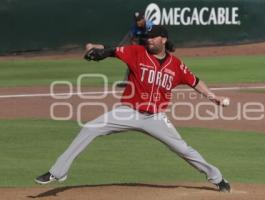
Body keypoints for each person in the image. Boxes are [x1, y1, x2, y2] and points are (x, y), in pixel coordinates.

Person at [35, 25, 231, 192]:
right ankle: (57, 172)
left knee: (184, 150)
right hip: (128, 112)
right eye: (147, 37)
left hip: (156, 118)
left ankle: (218, 179)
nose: (149, 40)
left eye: (153, 37)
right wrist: (99, 52)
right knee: (90, 128)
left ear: (164, 39)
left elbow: (195, 81)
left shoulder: (177, 66)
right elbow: (112, 50)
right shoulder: (137, 52)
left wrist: (212, 97)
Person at [117, 11, 154, 87]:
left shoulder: (149, 25)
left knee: (152, 62)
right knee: (132, 61)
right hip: (140, 43)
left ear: (144, 18)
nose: (138, 22)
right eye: (137, 20)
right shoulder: (134, 27)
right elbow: (133, 41)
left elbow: (154, 39)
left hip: (151, 43)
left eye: (140, 19)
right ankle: (126, 81)